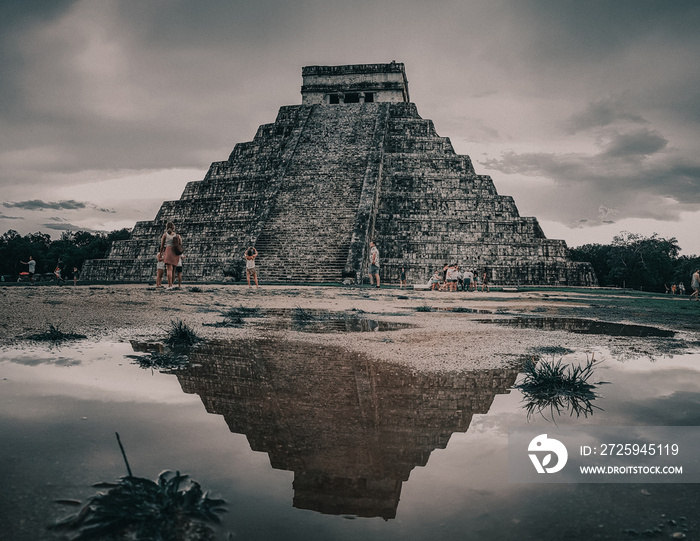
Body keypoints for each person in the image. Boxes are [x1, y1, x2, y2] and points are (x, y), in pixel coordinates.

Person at [159, 222, 180, 290]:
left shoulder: (165, 235)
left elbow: (162, 246)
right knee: (173, 270)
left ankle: (169, 285)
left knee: (169, 269)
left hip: (168, 251)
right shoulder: (177, 235)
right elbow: (180, 245)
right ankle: (172, 284)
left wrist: (161, 254)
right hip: (175, 252)